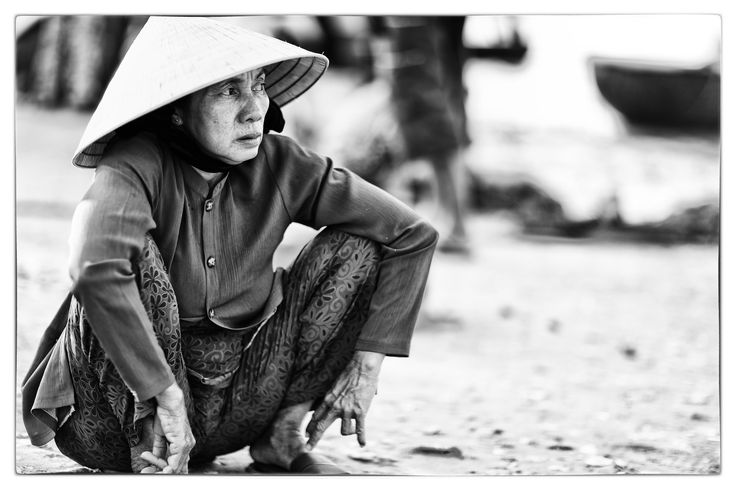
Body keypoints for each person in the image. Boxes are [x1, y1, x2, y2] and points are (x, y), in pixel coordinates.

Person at [21, 16, 437, 475]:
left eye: (258, 86)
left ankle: (283, 434)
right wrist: (164, 394)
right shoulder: (135, 163)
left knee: (359, 246)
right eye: (227, 91)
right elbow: (94, 269)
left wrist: (366, 368)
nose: (254, 110)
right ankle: (153, 451)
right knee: (131, 251)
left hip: (238, 409)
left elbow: (411, 234)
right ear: (176, 109)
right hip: (110, 421)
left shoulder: (281, 163)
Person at [381, 16, 471, 254]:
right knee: (435, 143)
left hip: (427, 47)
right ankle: (447, 217)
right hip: (426, 48)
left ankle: (457, 225)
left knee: (444, 142)